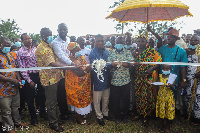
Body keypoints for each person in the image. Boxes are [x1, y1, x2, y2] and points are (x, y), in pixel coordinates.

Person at [36, 27, 76, 132]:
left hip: (56, 77)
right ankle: (53, 124)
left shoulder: (49, 45)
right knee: (51, 102)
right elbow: (52, 63)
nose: (51, 36)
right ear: (43, 36)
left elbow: (58, 57)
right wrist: (68, 67)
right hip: (49, 79)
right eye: (48, 35)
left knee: (55, 100)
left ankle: (55, 119)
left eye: (51, 34)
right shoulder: (41, 48)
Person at [17, 33, 47, 125]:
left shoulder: (35, 49)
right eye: (26, 39)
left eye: (30, 38)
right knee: (30, 99)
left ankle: (43, 113)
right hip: (29, 76)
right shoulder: (21, 52)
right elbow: (22, 68)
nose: (29, 40)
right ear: (22, 41)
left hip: (39, 75)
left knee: (42, 95)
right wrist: (29, 80)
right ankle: (33, 118)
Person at [158, 29, 188, 117]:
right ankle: (161, 117)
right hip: (161, 78)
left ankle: (170, 117)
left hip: (174, 80)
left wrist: (184, 80)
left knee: (172, 99)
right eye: (168, 36)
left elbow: (183, 67)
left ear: (176, 39)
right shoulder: (161, 49)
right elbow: (157, 63)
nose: (168, 38)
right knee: (161, 98)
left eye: (171, 37)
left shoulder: (181, 51)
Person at [133, 35, 162, 125]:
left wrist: (152, 68)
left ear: (146, 43)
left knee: (148, 96)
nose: (141, 43)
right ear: (136, 43)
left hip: (148, 77)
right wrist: (134, 64)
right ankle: (140, 113)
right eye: (139, 41)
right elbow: (131, 63)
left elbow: (159, 61)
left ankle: (147, 116)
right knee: (138, 95)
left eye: (143, 42)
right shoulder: (134, 52)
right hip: (138, 77)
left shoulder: (152, 51)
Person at [0, 36, 27, 133]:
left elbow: (16, 68)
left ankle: (17, 122)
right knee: (6, 110)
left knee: (16, 107)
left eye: (9, 45)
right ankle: (9, 127)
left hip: (14, 87)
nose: (8, 47)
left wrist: (19, 79)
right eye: (6, 45)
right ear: (0, 45)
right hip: (3, 89)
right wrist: (11, 80)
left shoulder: (11, 55)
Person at [52, 23, 78, 120]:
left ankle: (67, 110)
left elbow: (69, 53)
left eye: (65, 29)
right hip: (61, 70)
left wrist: (73, 62)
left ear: (67, 30)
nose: (63, 31)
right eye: (61, 29)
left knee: (68, 89)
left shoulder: (68, 40)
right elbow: (61, 56)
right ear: (57, 30)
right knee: (61, 92)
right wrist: (72, 63)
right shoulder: (55, 42)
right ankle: (63, 113)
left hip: (70, 68)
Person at [65, 42, 92, 125]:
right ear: (71, 51)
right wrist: (87, 69)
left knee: (84, 99)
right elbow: (78, 73)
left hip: (84, 84)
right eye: (77, 50)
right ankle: (79, 119)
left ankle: (82, 115)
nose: (79, 51)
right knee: (78, 101)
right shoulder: (69, 61)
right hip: (76, 85)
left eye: (79, 49)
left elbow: (84, 67)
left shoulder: (81, 57)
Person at [108, 36, 133, 124]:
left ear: (123, 44)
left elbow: (130, 63)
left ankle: (125, 115)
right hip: (114, 81)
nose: (119, 44)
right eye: (117, 42)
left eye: (121, 43)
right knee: (115, 100)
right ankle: (117, 116)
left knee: (126, 99)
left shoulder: (127, 52)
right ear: (114, 43)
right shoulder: (111, 52)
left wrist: (122, 63)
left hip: (125, 80)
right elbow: (108, 63)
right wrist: (112, 65)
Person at [89, 34, 111, 126]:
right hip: (97, 79)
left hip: (107, 78)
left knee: (106, 98)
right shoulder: (92, 53)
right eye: (98, 41)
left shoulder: (107, 52)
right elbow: (96, 65)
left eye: (102, 41)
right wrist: (110, 64)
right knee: (97, 99)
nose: (100, 43)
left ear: (104, 42)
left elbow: (110, 61)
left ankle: (105, 113)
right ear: (95, 42)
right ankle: (99, 116)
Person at [156, 65, 176, 133]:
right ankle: (161, 125)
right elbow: (158, 84)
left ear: (170, 69)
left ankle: (167, 127)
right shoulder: (160, 76)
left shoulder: (172, 76)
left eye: (167, 68)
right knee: (161, 110)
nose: (165, 69)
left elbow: (173, 86)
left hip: (169, 96)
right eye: (164, 68)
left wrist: (170, 86)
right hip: (161, 96)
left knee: (169, 110)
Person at [185, 35, 200, 125]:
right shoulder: (187, 51)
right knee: (188, 96)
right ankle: (189, 115)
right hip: (188, 78)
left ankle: (197, 118)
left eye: (196, 40)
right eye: (192, 40)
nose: (193, 42)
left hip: (198, 79)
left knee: (198, 98)